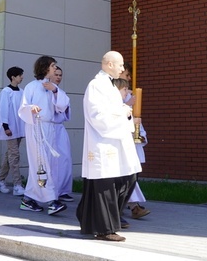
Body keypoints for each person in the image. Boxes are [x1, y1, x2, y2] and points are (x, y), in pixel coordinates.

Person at [76, 51, 141, 242]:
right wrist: (123, 113)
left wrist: (125, 113)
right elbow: (98, 116)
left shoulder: (110, 85)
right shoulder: (97, 85)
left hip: (115, 140)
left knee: (129, 176)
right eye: (120, 65)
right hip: (103, 143)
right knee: (106, 184)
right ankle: (105, 229)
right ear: (110, 64)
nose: (122, 69)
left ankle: (87, 218)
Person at [17, 56, 68, 215]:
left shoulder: (53, 87)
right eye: (53, 66)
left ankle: (28, 199)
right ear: (45, 68)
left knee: (46, 164)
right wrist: (31, 108)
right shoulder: (31, 86)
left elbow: (63, 105)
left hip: (50, 128)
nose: (55, 69)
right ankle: (52, 201)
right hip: (36, 127)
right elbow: (23, 108)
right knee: (42, 163)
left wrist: (55, 91)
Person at [112, 78, 151, 220]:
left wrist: (140, 134)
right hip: (116, 148)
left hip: (127, 147)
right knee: (125, 179)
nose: (127, 92)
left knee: (130, 178)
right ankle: (131, 207)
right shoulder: (114, 105)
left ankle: (130, 207)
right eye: (124, 89)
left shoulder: (125, 107)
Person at [0, 66, 26, 197]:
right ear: (13, 77)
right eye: (20, 75)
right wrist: (5, 127)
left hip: (19, 128)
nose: (22, 77)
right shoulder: (6, 92)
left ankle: (0, 180)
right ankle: (17, 185)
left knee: (10, 155)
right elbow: (3, 110)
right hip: (11, 129)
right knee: (14, 155)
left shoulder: (22, 91)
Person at [49, 66, 74, 202]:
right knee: (52, 161)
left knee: (65, 159)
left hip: (60, 128)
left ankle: (63, 189)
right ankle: (53, 190)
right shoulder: (45, 90)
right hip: (49, 128)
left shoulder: (61, 92)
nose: (58, 77)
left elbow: (65, 110)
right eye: (56, 74)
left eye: (60, 75)